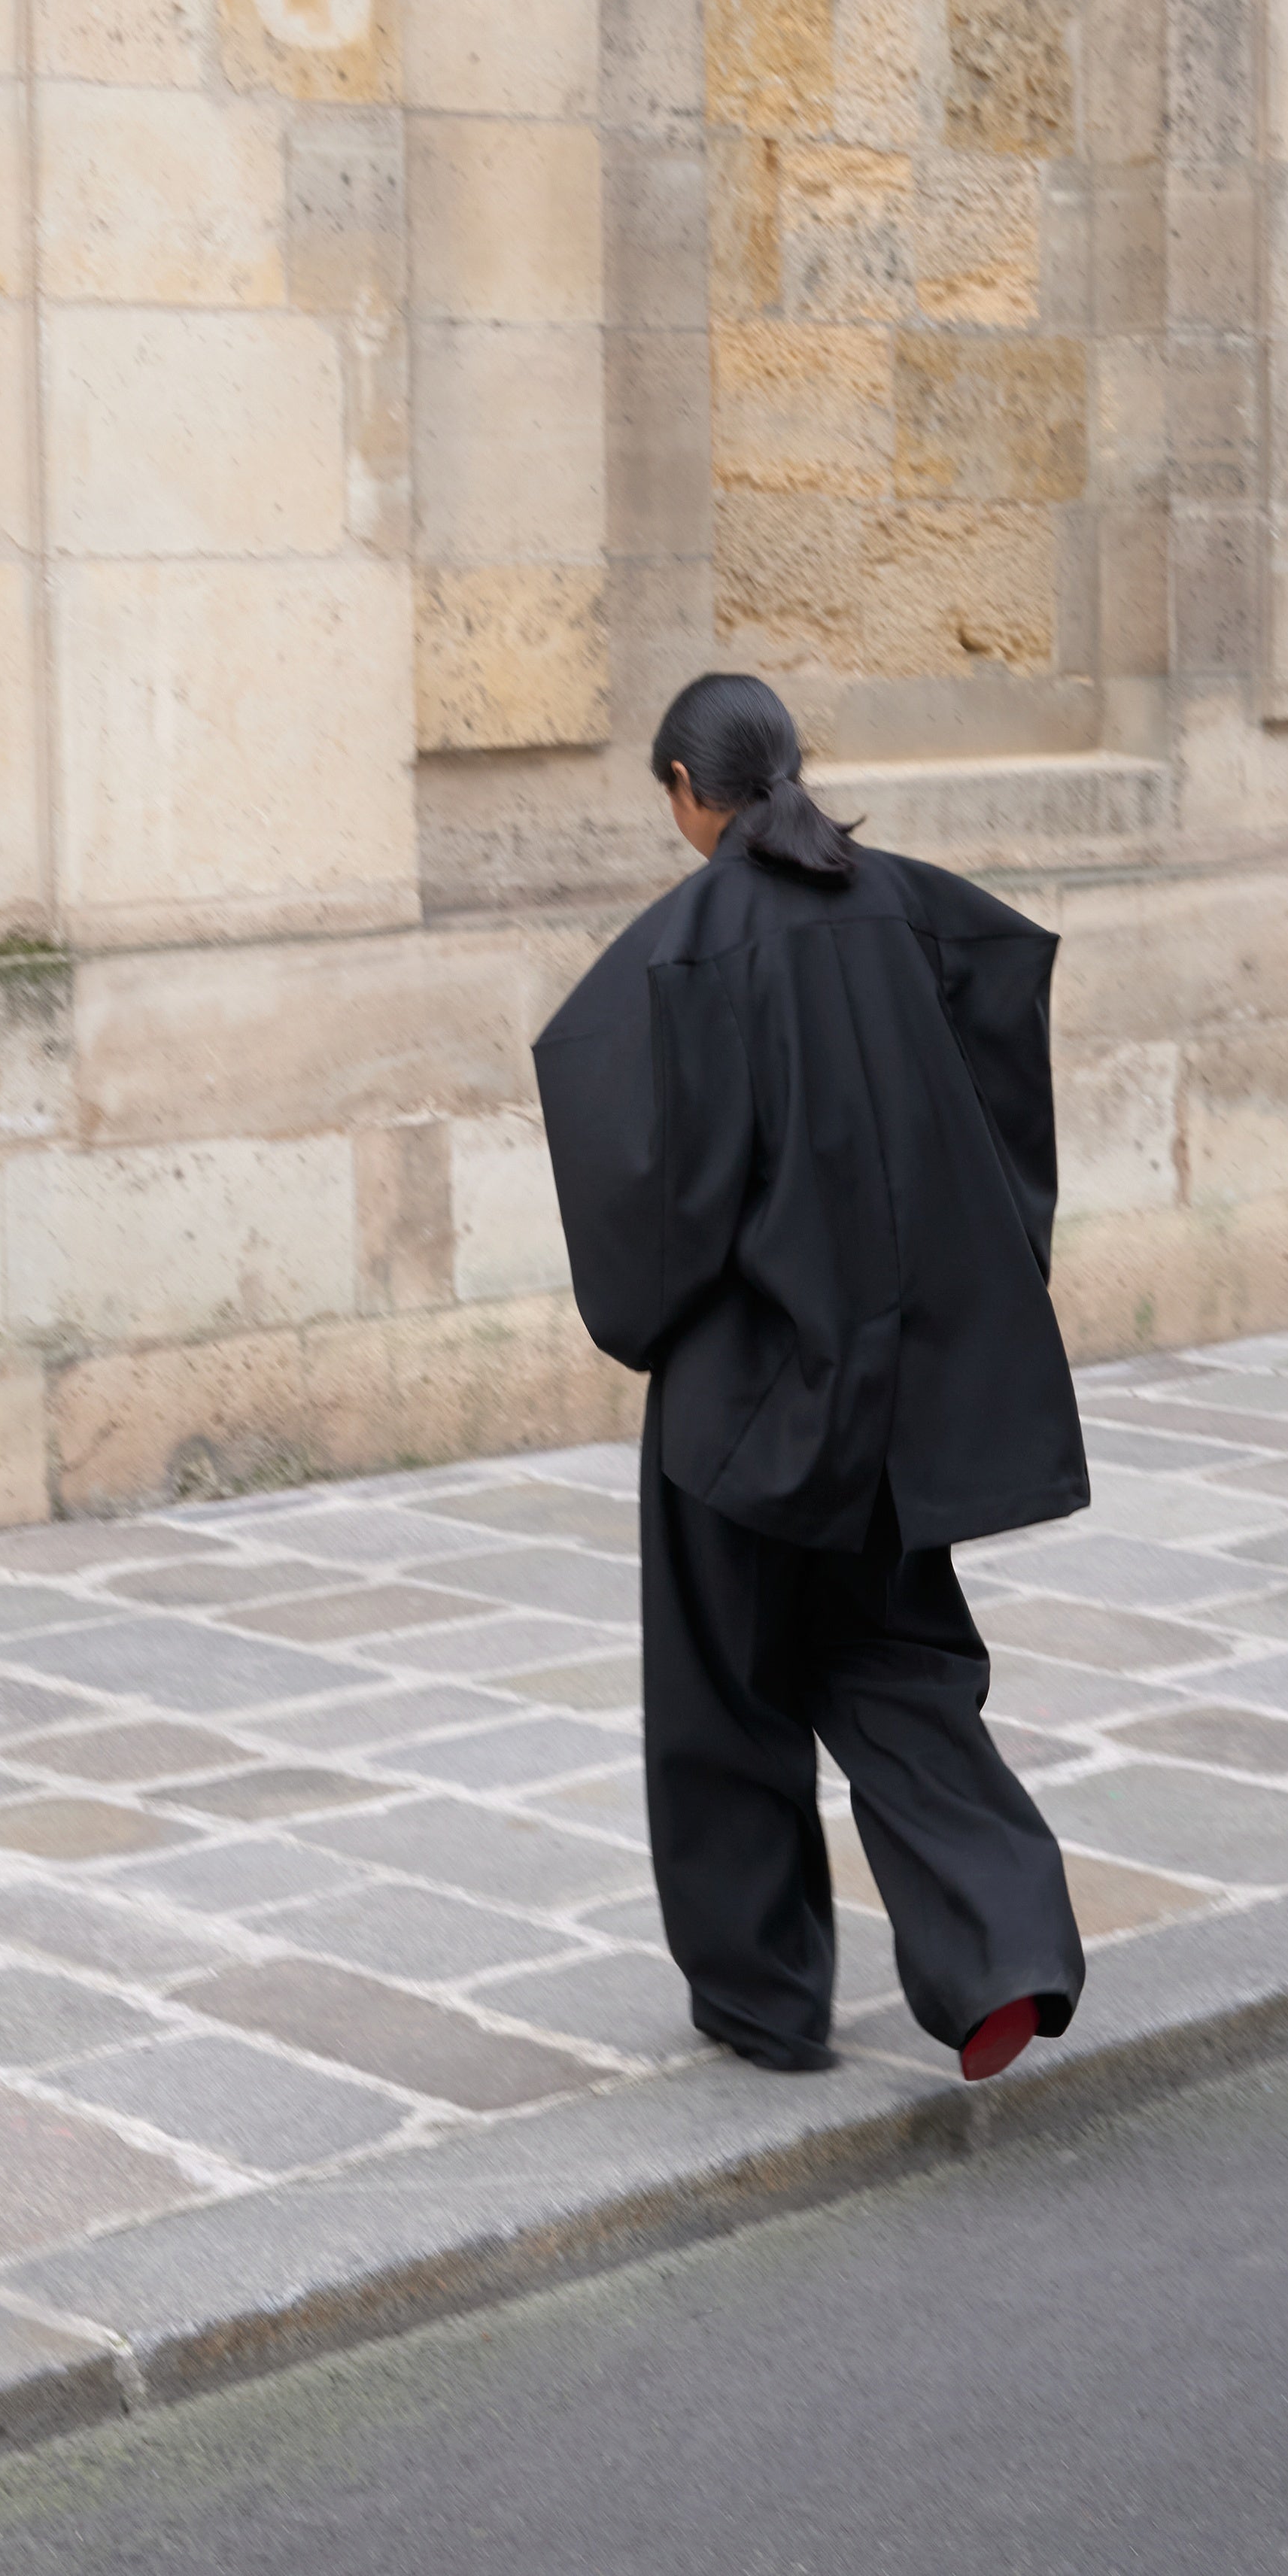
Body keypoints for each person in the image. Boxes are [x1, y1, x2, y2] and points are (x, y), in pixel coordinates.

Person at [530, 672, 1089, 2085]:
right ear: (792, 763)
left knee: (726, 1687)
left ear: (684, 790)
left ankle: (766, 2000)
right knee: (899, 1664)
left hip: (745, 1404)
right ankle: (1004, 1950)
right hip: (902, 1392)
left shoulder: (680, 951)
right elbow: (1004, 1096)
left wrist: (659, 1323)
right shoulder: (916, 910)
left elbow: (649, 1196)